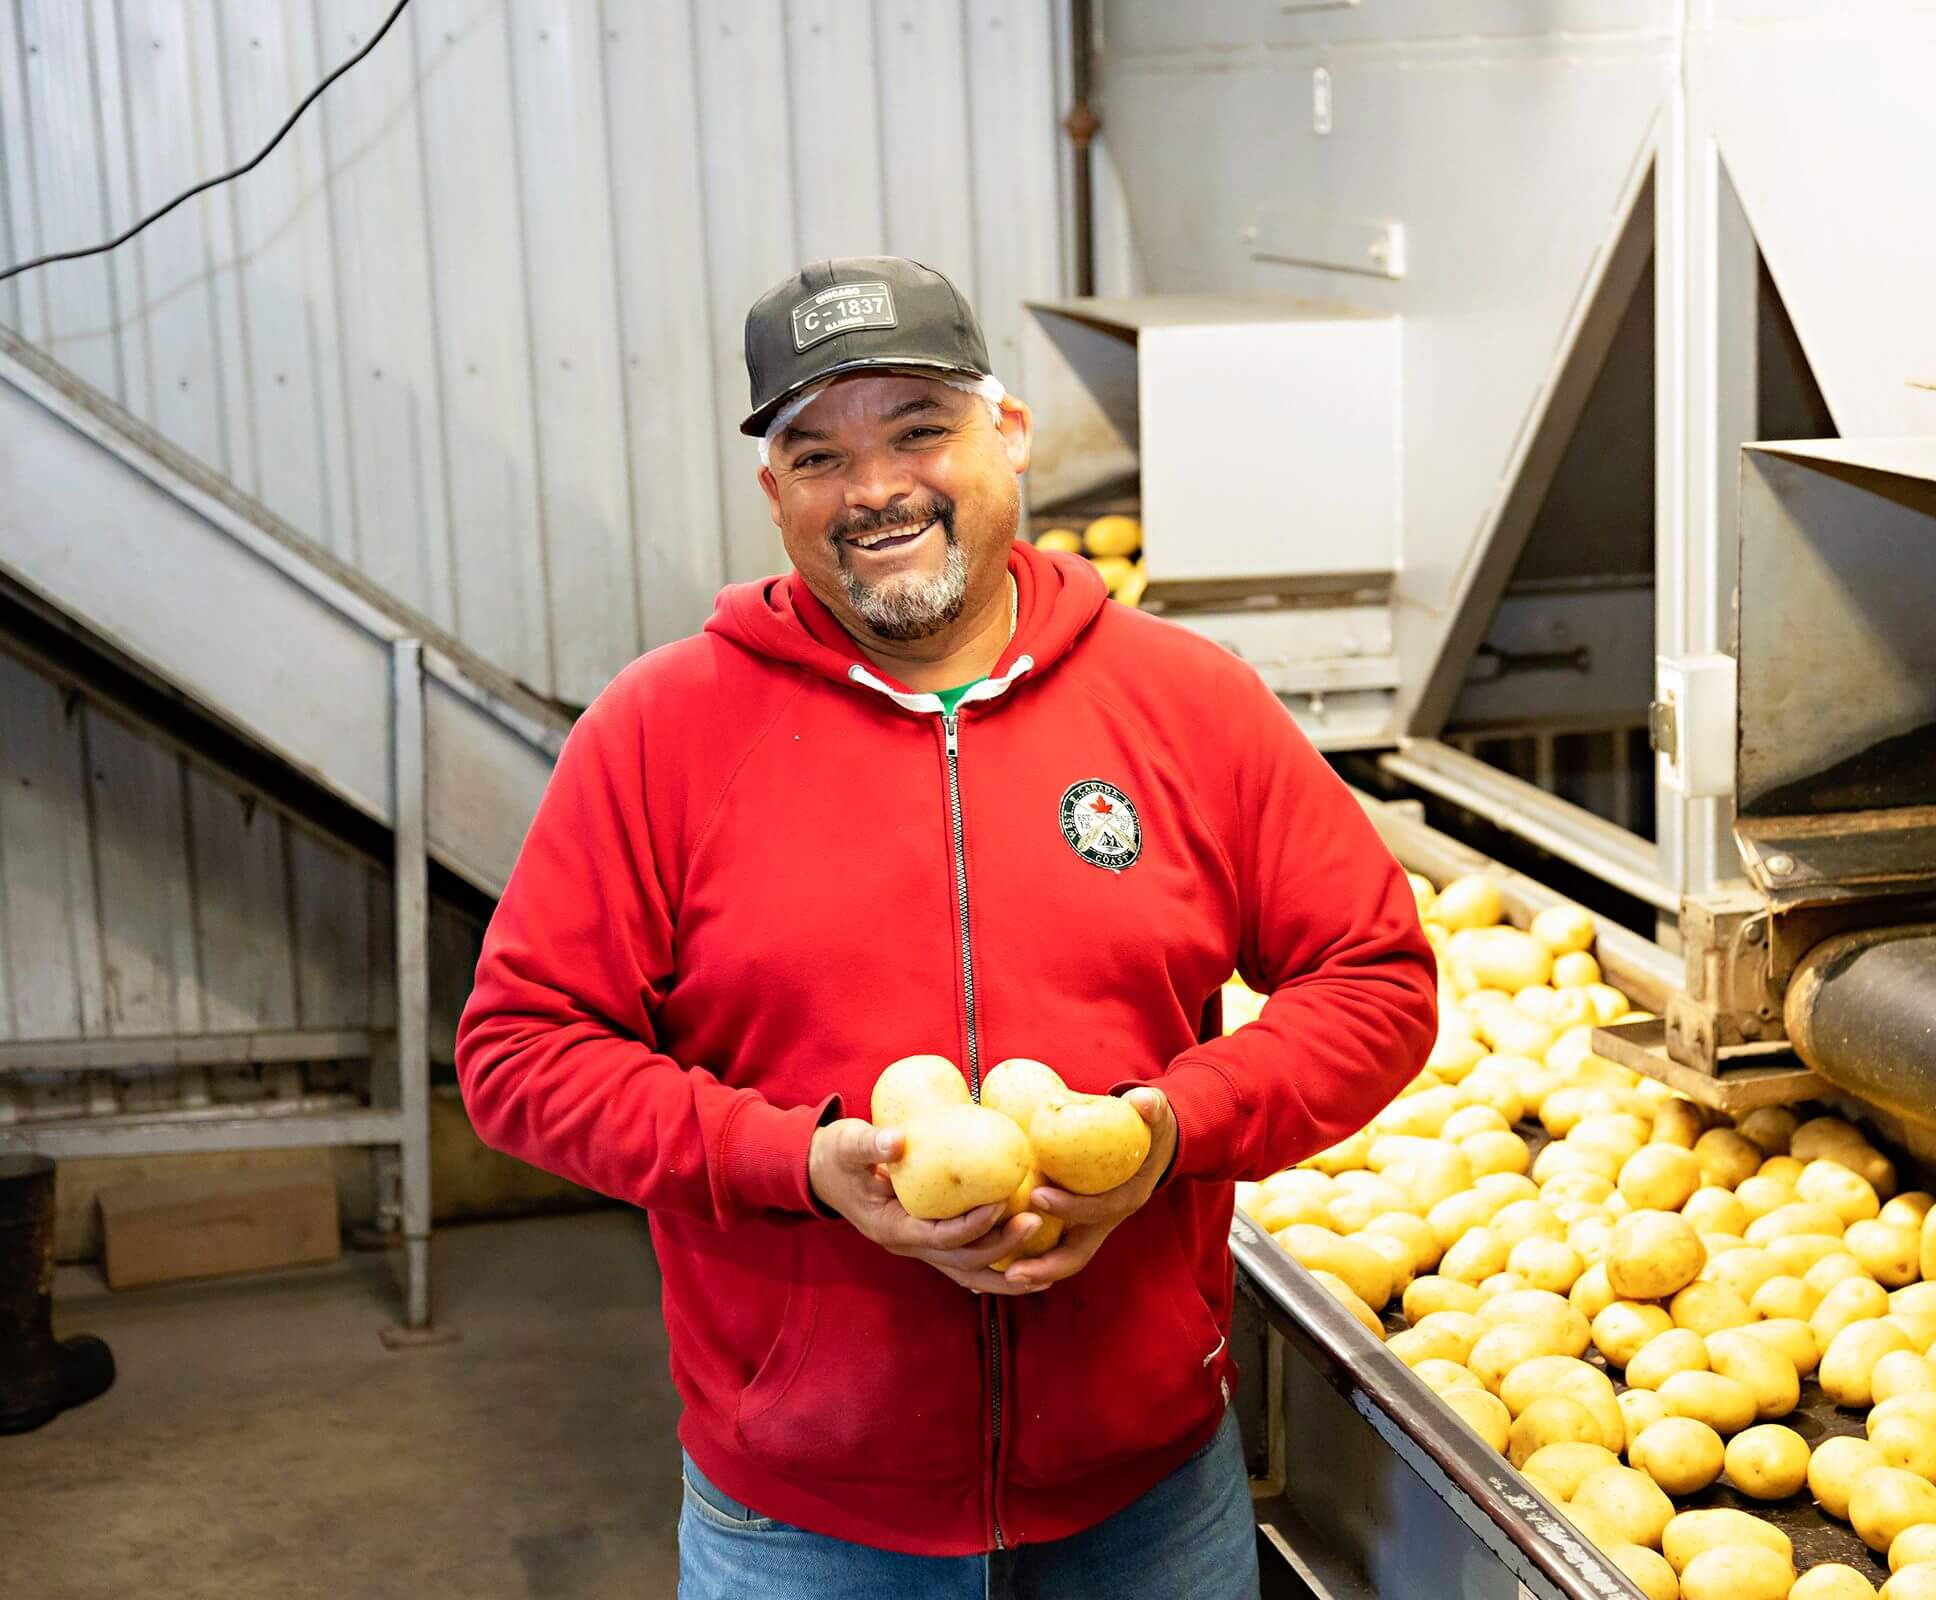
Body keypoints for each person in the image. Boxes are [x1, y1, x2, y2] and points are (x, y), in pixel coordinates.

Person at [455, 257, 1438, 1599]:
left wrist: (1174, 1131)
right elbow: (519, 1052)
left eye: (919, 428)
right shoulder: (660, 734)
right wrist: (796, 1163)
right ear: (774, 494)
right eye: (819, 455)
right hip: (801, 1532)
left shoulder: (1184, 702)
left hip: (1149, 1510)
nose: (875, 490)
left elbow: (1374, 977)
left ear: (1008, 434)